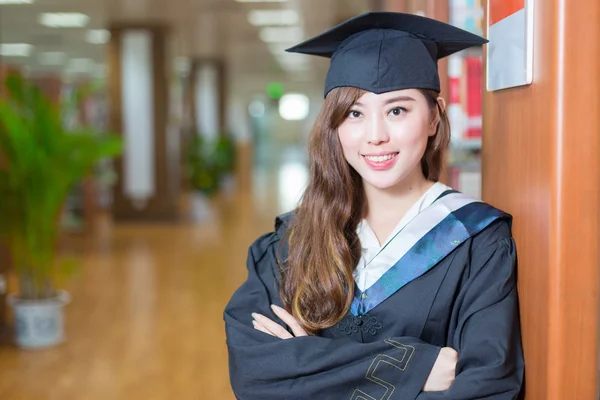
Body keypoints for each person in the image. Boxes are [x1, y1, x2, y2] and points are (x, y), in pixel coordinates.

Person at [224, 11, 524, 400]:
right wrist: (418, 367)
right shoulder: (291, 242)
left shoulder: (477, 242)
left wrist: (306, 359)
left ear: (434, 117)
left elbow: (487, 387)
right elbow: (256, 373)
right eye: (355, 113)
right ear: (334, 125)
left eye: (397, 110)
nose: (376, 136)